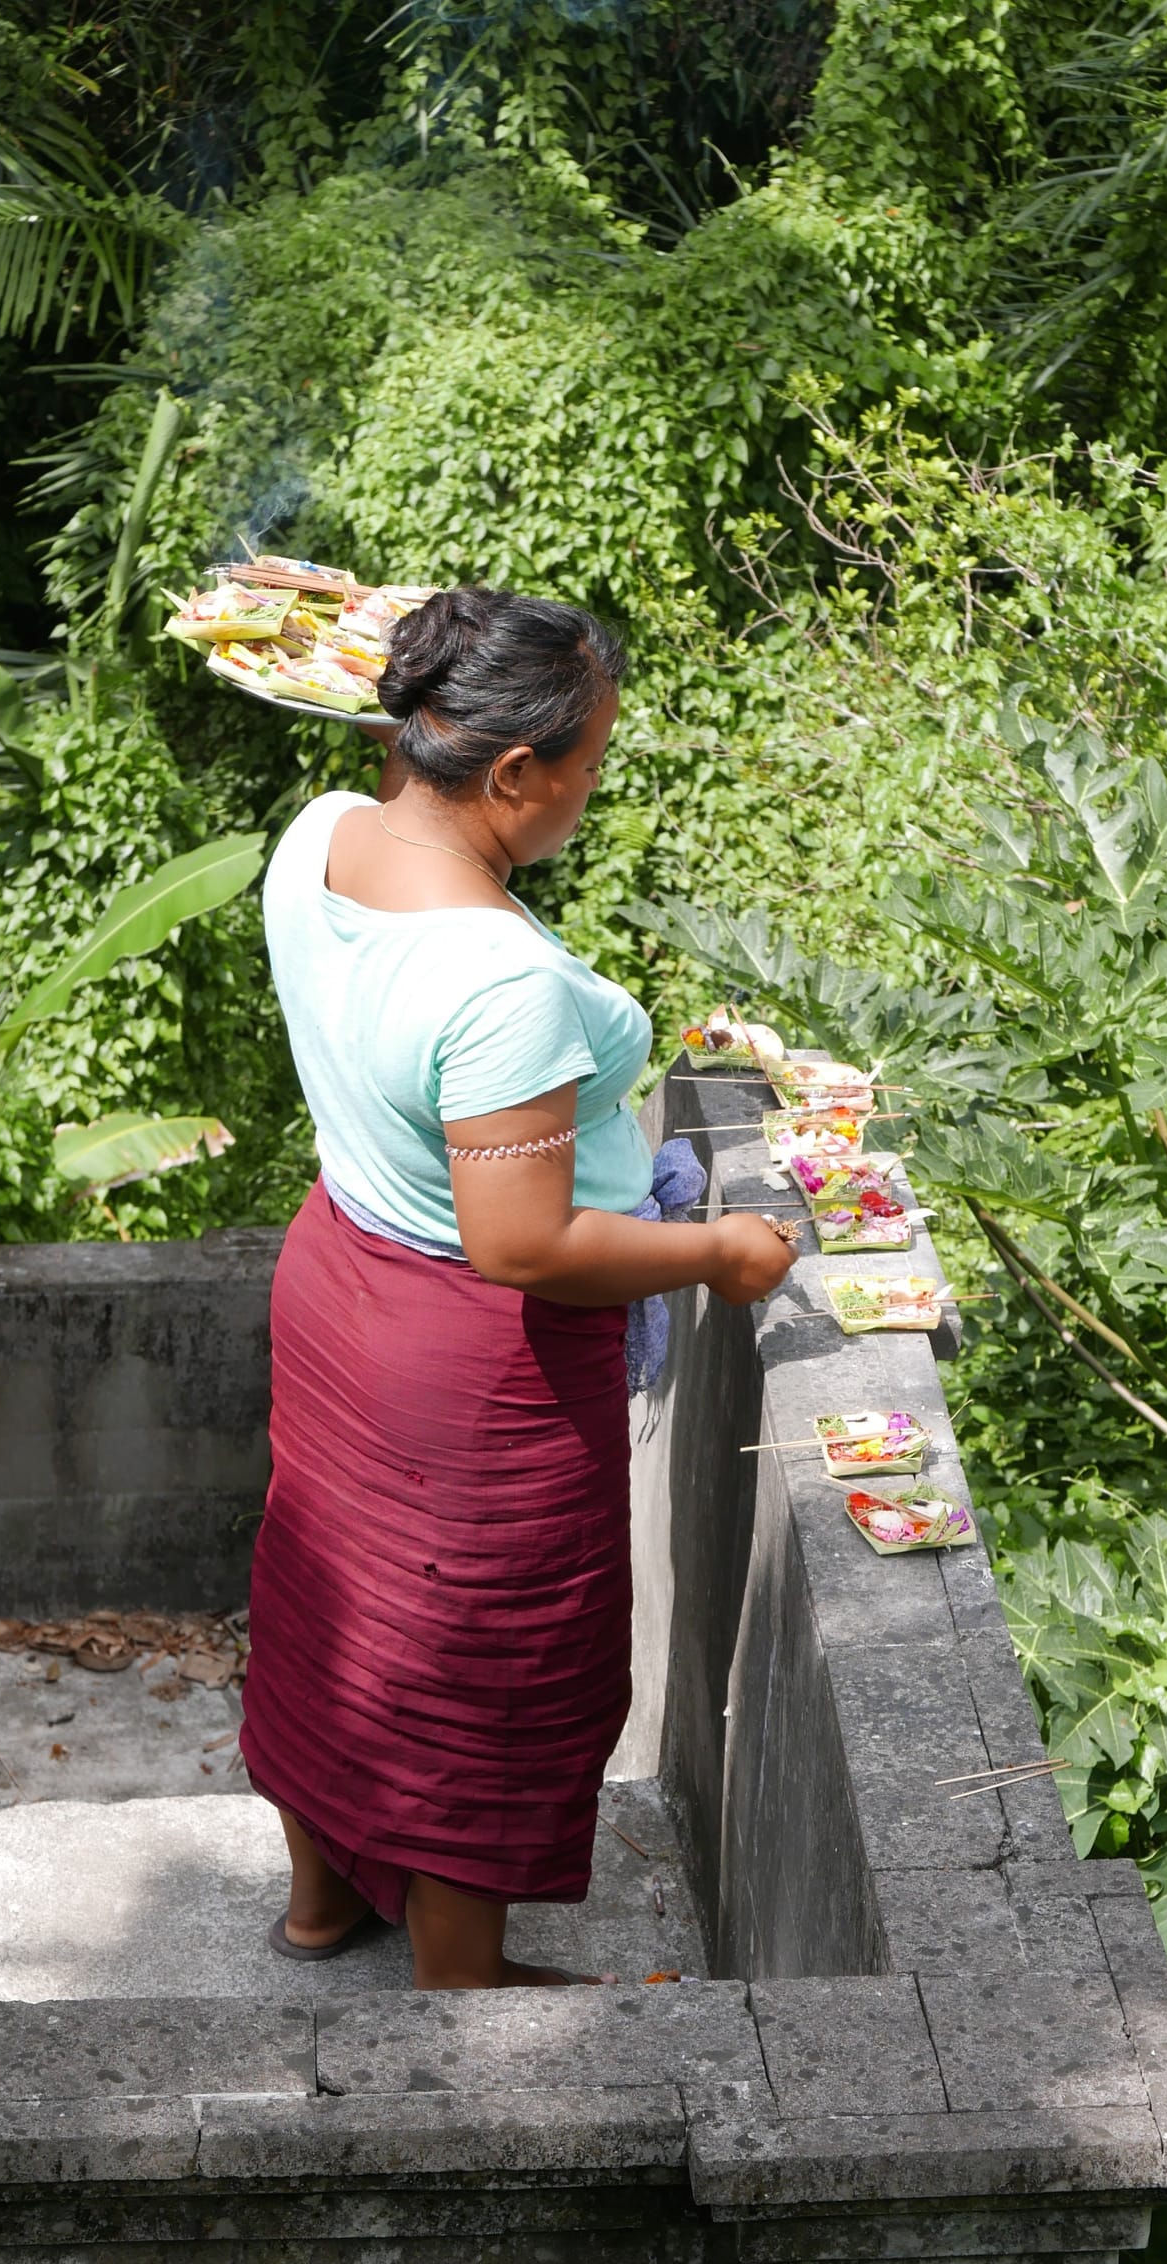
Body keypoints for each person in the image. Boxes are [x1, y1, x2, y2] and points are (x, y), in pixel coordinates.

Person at [239, 584, 795, 1990]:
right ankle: (462, 1976)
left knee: (341, 1614)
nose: (587, 796)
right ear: (510, 772)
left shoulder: (317, 841)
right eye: (587, 767)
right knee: (484, 1657)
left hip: (337, 1277)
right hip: (471, 1356)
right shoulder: (496, 982)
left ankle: (320, 1907)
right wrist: (721, 1253)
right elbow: (528, 1243)